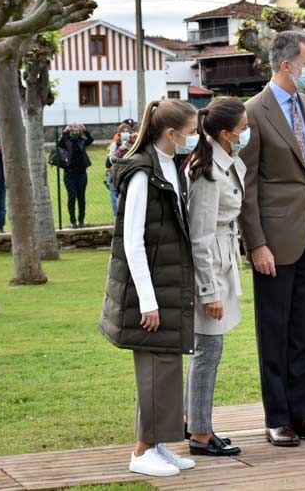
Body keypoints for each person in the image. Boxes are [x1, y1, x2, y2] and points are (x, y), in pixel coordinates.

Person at [238, 31, 305, 447]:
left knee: (303, 332)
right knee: (274, 331)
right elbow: (246, 184)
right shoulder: (253, 112)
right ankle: (277, 417)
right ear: (286, 66)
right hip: (273, 242)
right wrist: (256, 242)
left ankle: (303, 415)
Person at [98, 99, 199, 477]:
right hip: (152, 287)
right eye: (190, 134)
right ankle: (141, 452)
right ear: (171, 134)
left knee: (167, 367)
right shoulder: (142, 173)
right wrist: (147, 299)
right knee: (155, 370)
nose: (194, 139)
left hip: (170, 281)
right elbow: (132, 240)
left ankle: (157, 444)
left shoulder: (171, 166)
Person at [183, 97, 248, 457]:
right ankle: (201, 434)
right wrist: (208, 292)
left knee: (207, 350)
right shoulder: (207, 171)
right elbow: (201, 236)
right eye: (242, 129)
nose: (246, 133)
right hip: (210, 268)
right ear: (225, 133)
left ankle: (193, 422)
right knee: (209, 349)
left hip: (223, 260)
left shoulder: (224, 162)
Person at [58, 123, 93, 228]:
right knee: (71, 197)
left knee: (81, 198)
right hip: (69, 174)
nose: (74, 132)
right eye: (72, 131)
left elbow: (90, 140)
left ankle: (81, 220)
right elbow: (59, 143)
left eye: (76, 130)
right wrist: (65, 131)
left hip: (81, 174)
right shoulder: (66, 141)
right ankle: (73, 221)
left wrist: (85, 130)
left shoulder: (82, 141)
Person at [106, 123, 133, 217]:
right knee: (114, 194)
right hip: (116, 172)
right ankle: (117, 215)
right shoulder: (115, 144)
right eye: (123, 131)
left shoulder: (133, 143)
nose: (125, 133)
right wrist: (120, 150)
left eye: (127, 131)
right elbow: (111, 159)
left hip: (129, 172)